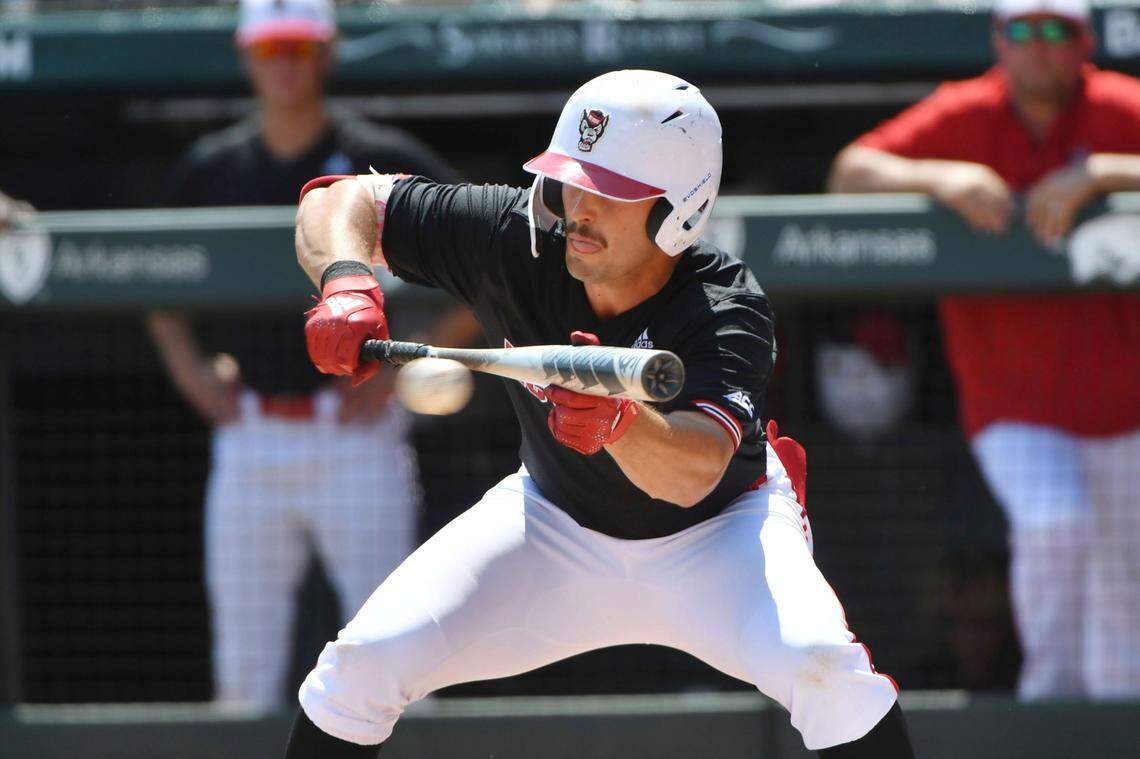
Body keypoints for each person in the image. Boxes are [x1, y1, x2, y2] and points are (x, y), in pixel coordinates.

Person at [284, 70, 915, 758]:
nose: (579, 207)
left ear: (678, 207)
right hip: (552, 520)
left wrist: (620, 422)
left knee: (828, 671)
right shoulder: (514, 237)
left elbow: (694, 472)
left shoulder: (726, 306)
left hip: (719, 539)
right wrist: (344, 277)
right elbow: (342, 201)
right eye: (570, 180)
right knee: (356, 670)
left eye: (609, 191)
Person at [146, 0, 473, 709]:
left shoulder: (377, 155)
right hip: (251, 433)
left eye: (297, 48)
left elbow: (488, 260)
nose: (285, 65)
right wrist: (191, 371)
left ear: (325, 52)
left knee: (398, 648)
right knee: (242, 665)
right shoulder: (214, 167)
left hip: (353, 433)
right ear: (246, 57)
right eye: (271, 51)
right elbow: (152, 282)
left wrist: (400, 373)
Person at [829, 0, 1140, 700]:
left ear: (1084, 40)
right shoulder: (964, 114)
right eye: (1022, 30)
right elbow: (851, 171)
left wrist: (1103, 174)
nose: (1039, 46)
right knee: (1056, 523)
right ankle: (1048, 711)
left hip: (1124, 403)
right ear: (999, 38)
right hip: (1013, 399)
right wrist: (941, 178)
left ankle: (1117, 730)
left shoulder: (1120, 107)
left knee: (1126, 584)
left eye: (1056, 30)